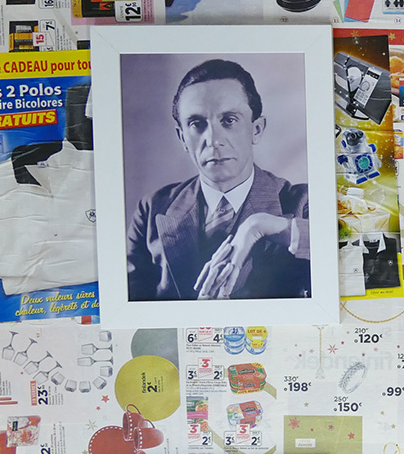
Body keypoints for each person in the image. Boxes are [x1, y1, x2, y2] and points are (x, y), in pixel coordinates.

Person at [126, 59, 312, 302]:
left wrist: (257, 225)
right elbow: (132, 307)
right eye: (197, 124)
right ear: (182, 138)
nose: (213, 140)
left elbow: (342, 254)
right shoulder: (152, 210)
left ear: (256, 129)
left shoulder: (303, 203)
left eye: (229, 120)